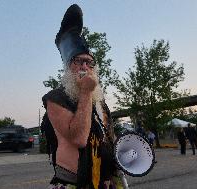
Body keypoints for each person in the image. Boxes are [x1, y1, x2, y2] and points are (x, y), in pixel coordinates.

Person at [42, 4, 124, 189]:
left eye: (89, 62)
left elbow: (109, 136)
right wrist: (86, 92)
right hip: (74, 184)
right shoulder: (55, 98)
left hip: (106, 182)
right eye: (77, 61)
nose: (84, 67)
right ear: (68, 67)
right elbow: (78, 139)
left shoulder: (100, 102)